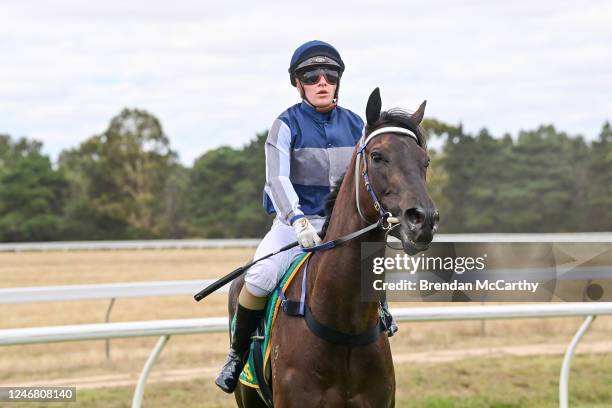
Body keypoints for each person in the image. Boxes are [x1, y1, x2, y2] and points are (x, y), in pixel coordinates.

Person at [215, 40, 397, 394]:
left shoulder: (359, 126)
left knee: (369, 268)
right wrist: (297, 220)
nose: (321, 81)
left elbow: (365, 178)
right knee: (259, 276)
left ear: (338, 81)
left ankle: (383, 314)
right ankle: (237, 355)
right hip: (294, 224)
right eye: (311, 76)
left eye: (329, 74)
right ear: (298, 84)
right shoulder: (284, 125)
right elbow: (277, 179)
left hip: (343, 226)